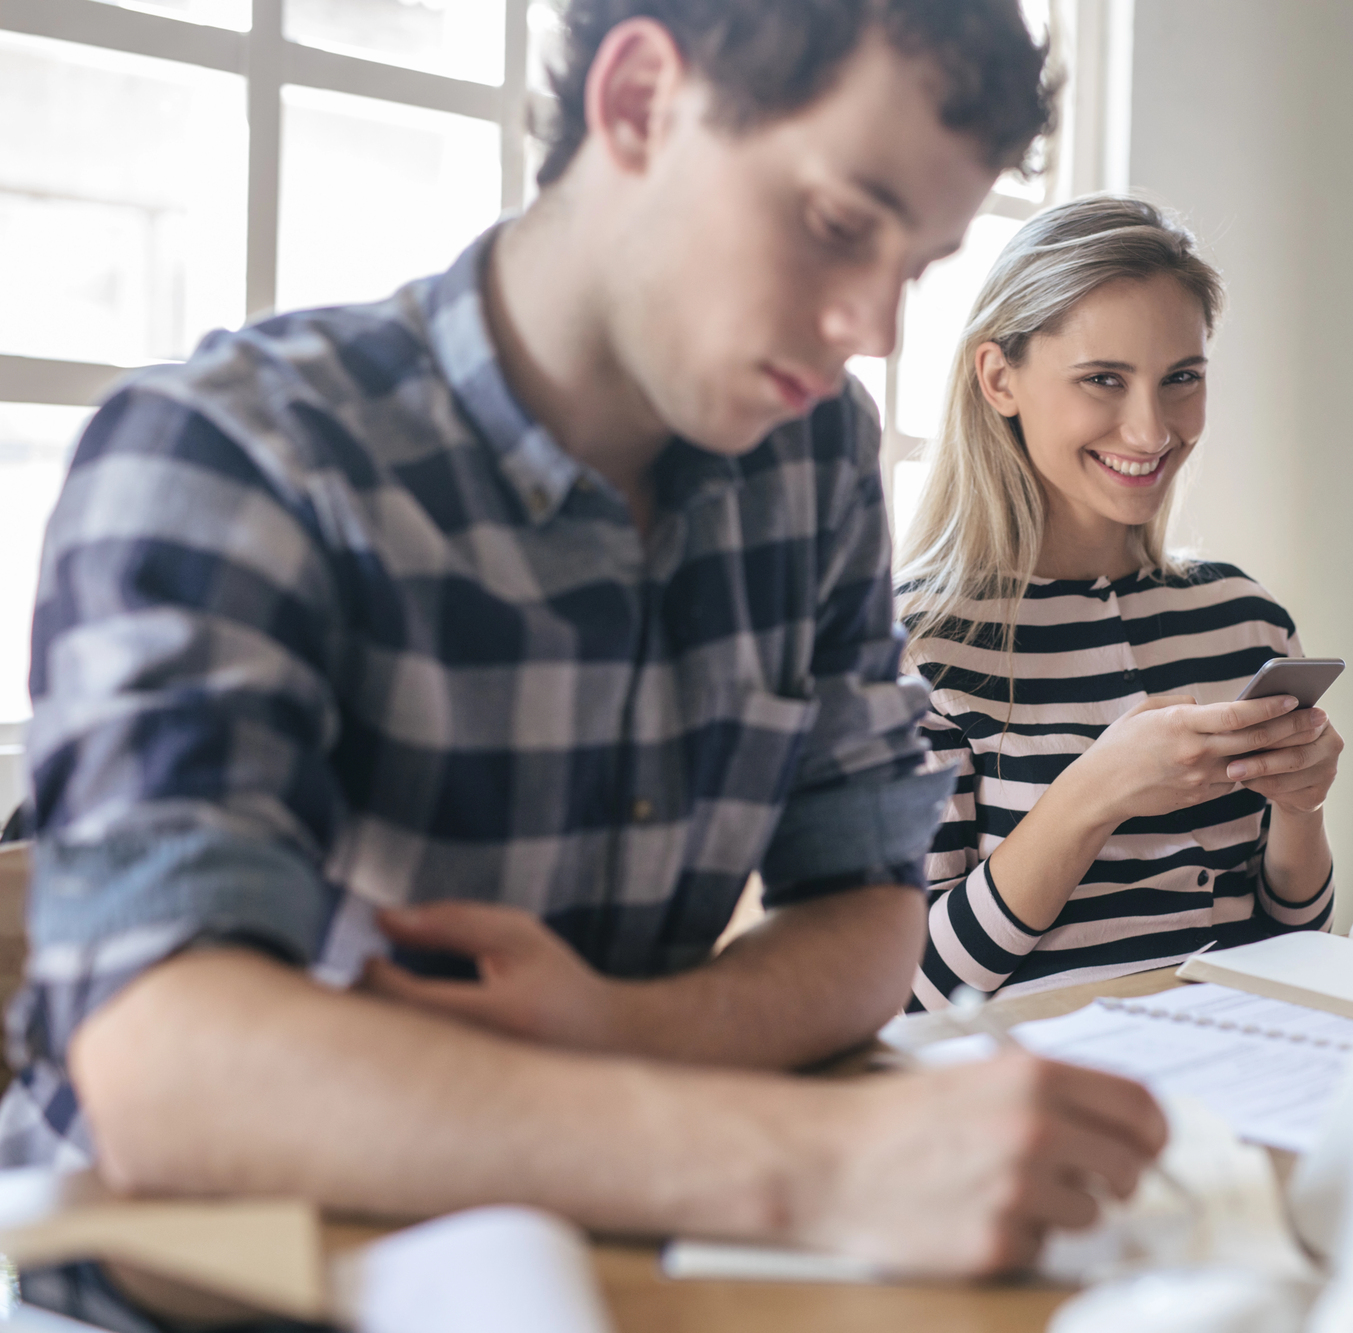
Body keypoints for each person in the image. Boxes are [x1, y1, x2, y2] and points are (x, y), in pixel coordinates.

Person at [5, 0, 1165, 1283]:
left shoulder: (812, 456)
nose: (873, 327)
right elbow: (170, 1076)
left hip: (605, 1264)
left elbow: (868, 911)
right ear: (636, 104)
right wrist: (809, 1164)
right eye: (839, 224)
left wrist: (623, 1023)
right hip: (205, 1290)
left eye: (917, 264)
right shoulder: (231, 455)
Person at [898, 197, 1343, 1011]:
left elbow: (1295, 936)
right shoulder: (919, 646)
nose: (1150, 430)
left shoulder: (1244, 617)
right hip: (1037, 1103)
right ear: (999, 378)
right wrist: (1095, 790)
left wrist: (1301, 807)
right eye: (1104, 379)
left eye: (1182, 379)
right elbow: (909, 989)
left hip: (1241, 1072)